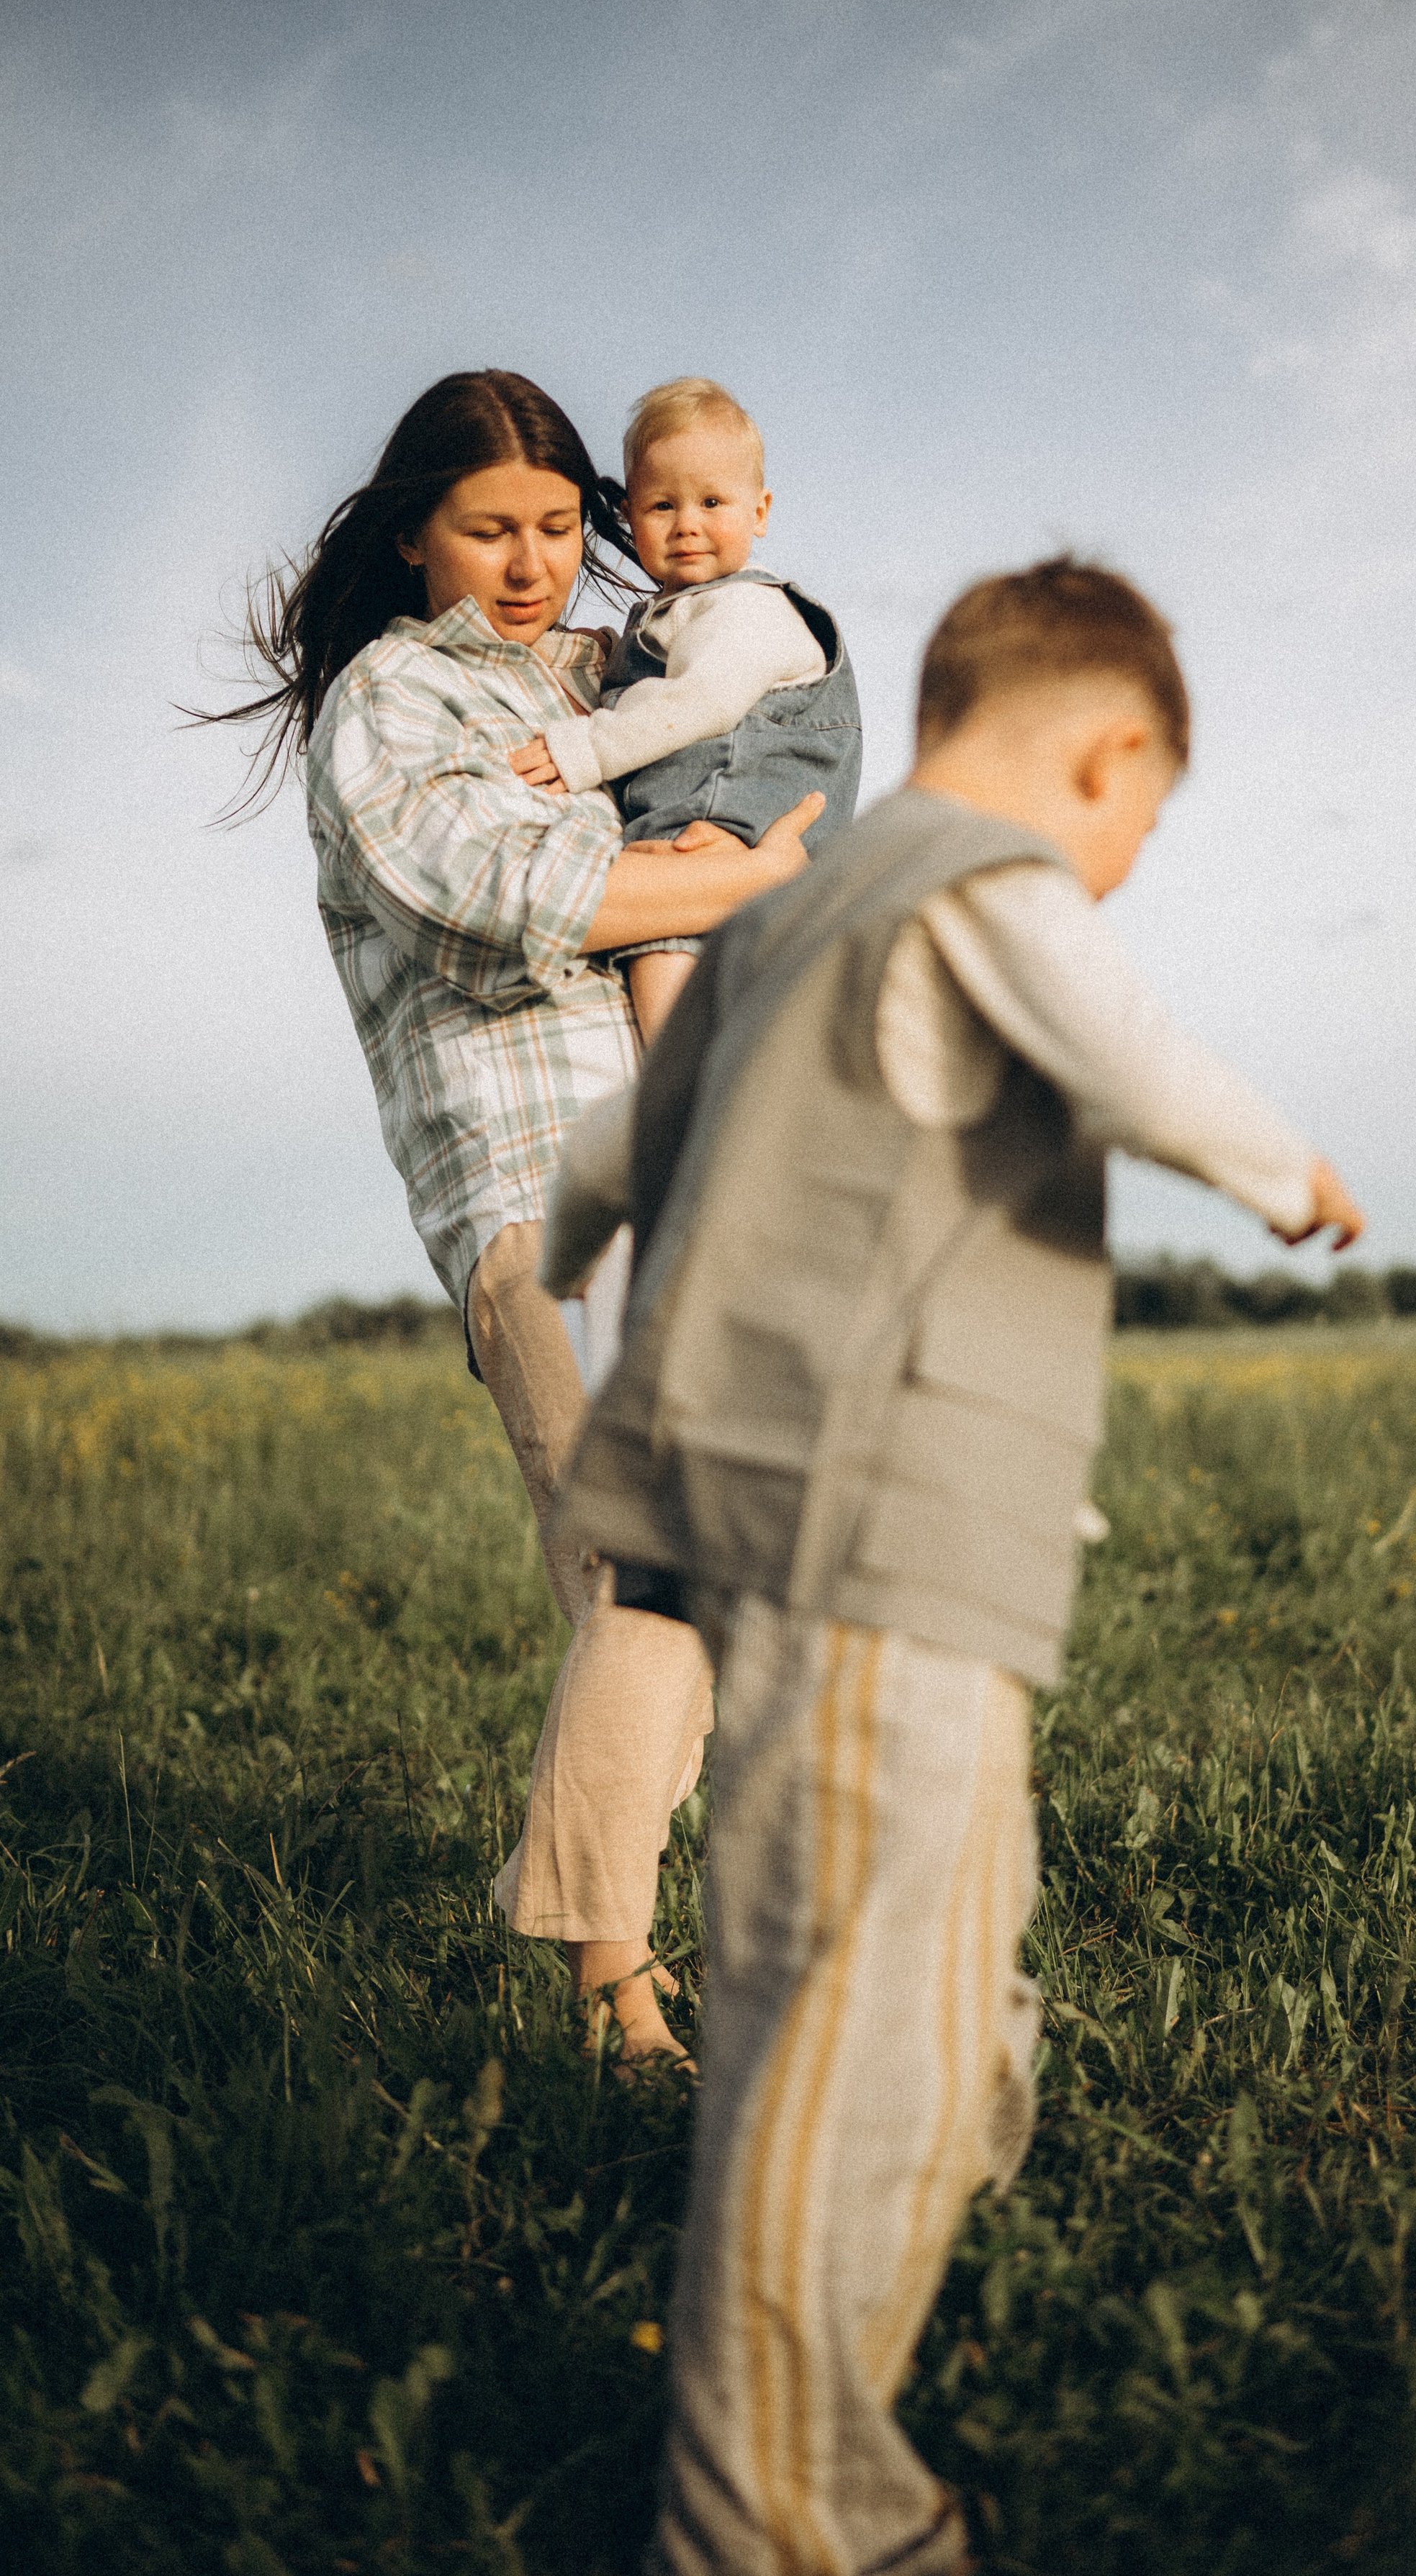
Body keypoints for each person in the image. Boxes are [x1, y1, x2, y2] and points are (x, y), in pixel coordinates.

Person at [538, 557, 1364, 2575]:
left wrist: (565, 1264)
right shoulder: (979, 893)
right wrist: (1286, 1169)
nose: (1119, 870)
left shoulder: (775, 920)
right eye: (1135, 828)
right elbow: (1129, 1052)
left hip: (796, 1551)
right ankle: (777, 2515)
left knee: (904, 1938)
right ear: (1107, 754)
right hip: (881, 1545)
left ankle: (938, 2139)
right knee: (844, 2011)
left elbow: (610, 1154)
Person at [208, 367, 824, 2064]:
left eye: (561, 526)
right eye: (491, 529)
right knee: (636, 1558)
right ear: (413, 529)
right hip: (530, 1180)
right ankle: (613, 1982)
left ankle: (639, 1923)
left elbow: (758, 770)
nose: (535, 560)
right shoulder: (391, 703)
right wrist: (759, 878)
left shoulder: (618, 672)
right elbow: (517, 894)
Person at [509, 376, 861, 1043]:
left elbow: (703, 701)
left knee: (663, 949)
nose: (688, 524)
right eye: (662, 506)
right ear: (631, 516)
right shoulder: (680, 613)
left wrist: (586, 748)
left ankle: (673, 1104)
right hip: (715, 830)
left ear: (760, 513)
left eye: (712, 501)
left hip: (731, 819)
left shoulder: (747, 608)